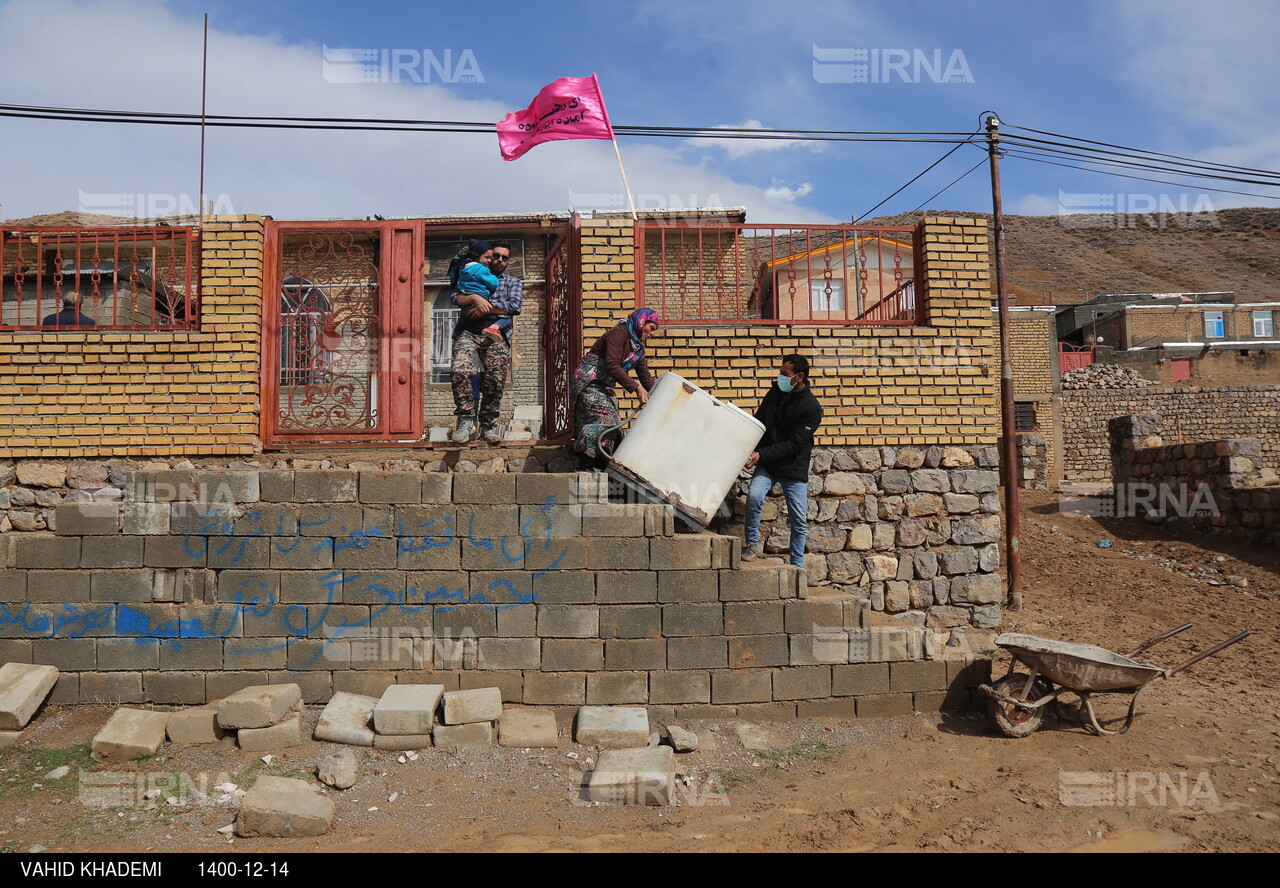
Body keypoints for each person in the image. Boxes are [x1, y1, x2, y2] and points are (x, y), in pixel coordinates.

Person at [743, 355, 822, 568]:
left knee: (798, 520)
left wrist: (763, 454)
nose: (780, 378)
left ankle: (797, 565)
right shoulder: (776, 392)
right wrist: (749, 450)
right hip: (768, 463)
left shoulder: (811, 407)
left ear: (800, 377)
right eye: (780, 372)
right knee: (754, 497)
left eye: (785, 374)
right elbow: (760, 422)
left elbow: (794, 444)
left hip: (793, 467)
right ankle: (751, 545)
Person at [449, 240, 523, 444]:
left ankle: (488, 425)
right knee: (459, 370)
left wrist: (487, 306)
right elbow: (455, 297)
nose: (499, 260)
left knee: (495, 380)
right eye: (496, 256)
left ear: (509, 261)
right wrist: (474, 297)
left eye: (504, 257)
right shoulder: (474, 272)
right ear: (490, 256)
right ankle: (466, 421)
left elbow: (515, 306)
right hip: (468, 332)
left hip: (496, 335)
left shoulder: (512, 282)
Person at [570, 307, 662, 468]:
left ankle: (592, 463)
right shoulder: (619, 333)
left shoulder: (637, 349)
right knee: (607, 423)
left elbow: (646, 378)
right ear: (642, 321)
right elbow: (612, 365)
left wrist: (663, 396)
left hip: (605, 386)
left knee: (615, 428)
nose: (652, 333)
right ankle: (580, 452)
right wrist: (637, 388)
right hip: (589, 382)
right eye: (651, 328)